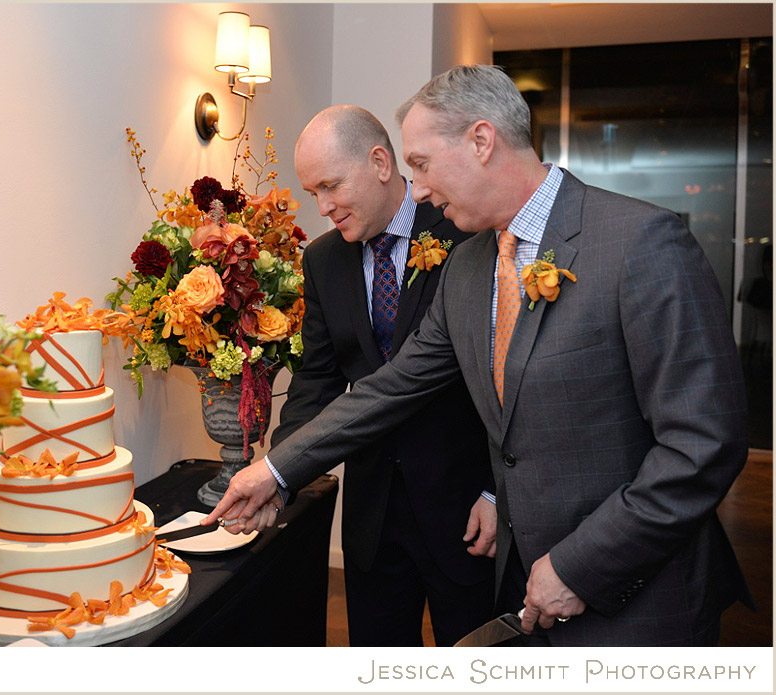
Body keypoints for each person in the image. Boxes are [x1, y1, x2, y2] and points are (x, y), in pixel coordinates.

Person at [206, 65, 752, 646]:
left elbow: (703, 446)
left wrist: (578, 565)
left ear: (481, 141)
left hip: (639, 598)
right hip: (521, 582)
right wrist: (275, 469)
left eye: (420, 165)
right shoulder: (468, 269)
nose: (415, 192)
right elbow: (394, 387)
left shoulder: (641, 243)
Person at [267, 105, 495, 647]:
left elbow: (501, 376)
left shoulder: (463, 233)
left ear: (379, 162)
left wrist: (495, 491)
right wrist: (280, 473)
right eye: (313, 192)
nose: (323, 208)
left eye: (330, 186)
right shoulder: (323, 260)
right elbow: (317, 380)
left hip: (463, 507)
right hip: (373, 512)